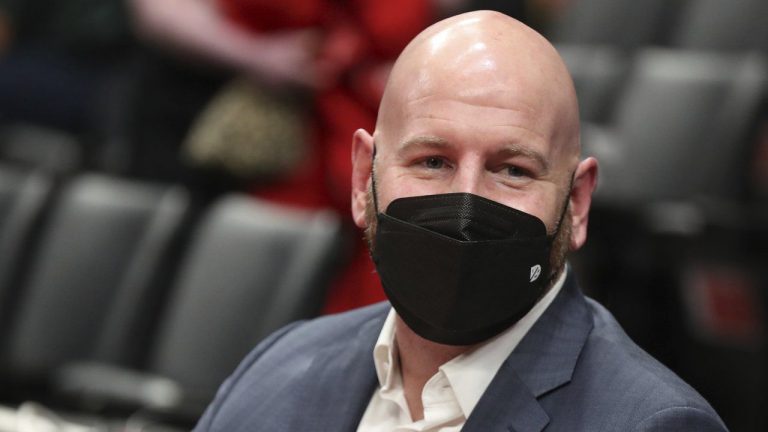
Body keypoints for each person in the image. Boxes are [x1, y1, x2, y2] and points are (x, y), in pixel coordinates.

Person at [193, 11, 727, 432]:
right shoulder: (278, 367)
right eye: (432, 161)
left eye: (513, 170)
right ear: (363, 180)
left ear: (578, 203)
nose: (466, 206)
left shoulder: (650, 423)